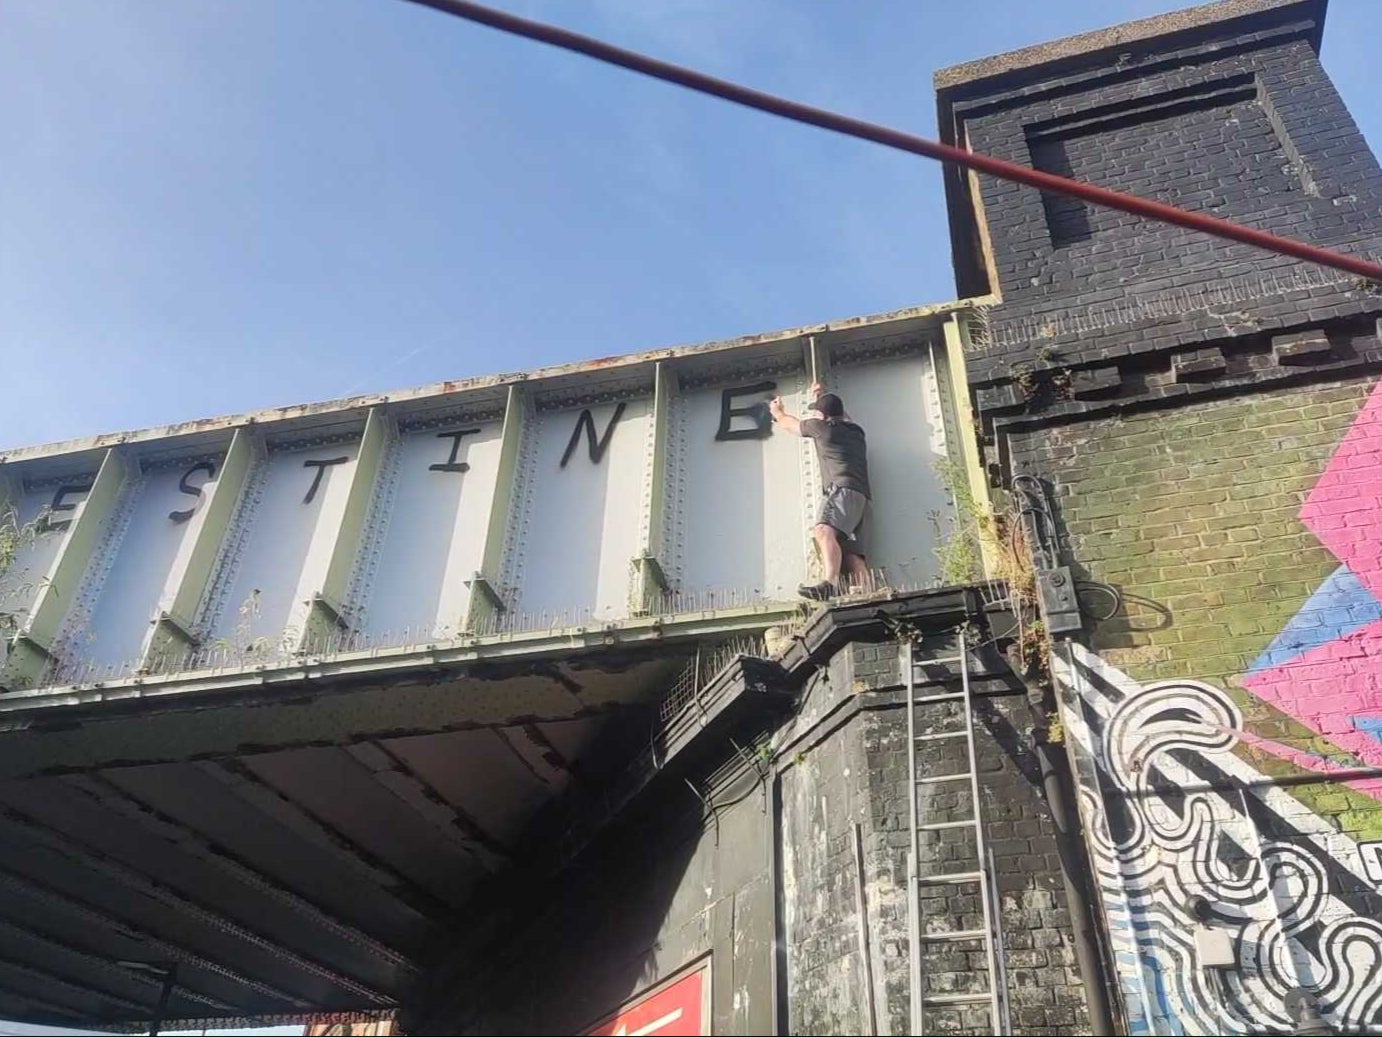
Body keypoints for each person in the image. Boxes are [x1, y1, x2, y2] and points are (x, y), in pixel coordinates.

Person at [769, 383, 873, 600]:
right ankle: (866, 593)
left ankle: (830, 584)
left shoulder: (822, 429)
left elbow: (791, 425)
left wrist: (778, 413)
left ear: (823, 416)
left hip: (841, 490)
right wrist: (822, 397)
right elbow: (841, 415)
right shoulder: (856, 431)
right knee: (853, 553)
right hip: (862, 498)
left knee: (823, 531)